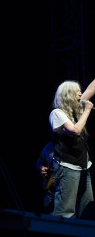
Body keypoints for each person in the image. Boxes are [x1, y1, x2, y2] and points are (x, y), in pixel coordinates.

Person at [49, 80, 94, 218]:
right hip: (68, 167)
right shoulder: (57, 113)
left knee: (87, 208)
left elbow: (91, 89)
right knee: (65, 211)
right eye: (78, 91)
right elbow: (75, 130)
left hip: (83, 167)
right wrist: (87, 111)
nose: (81, 94)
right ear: (68, 94)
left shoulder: (75, 110)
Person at [36, 142, 55, 214]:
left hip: (65, 189)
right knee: (49, 216)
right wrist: (41, 167)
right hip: (49, 188)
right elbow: (39, 161)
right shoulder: (49, 146)